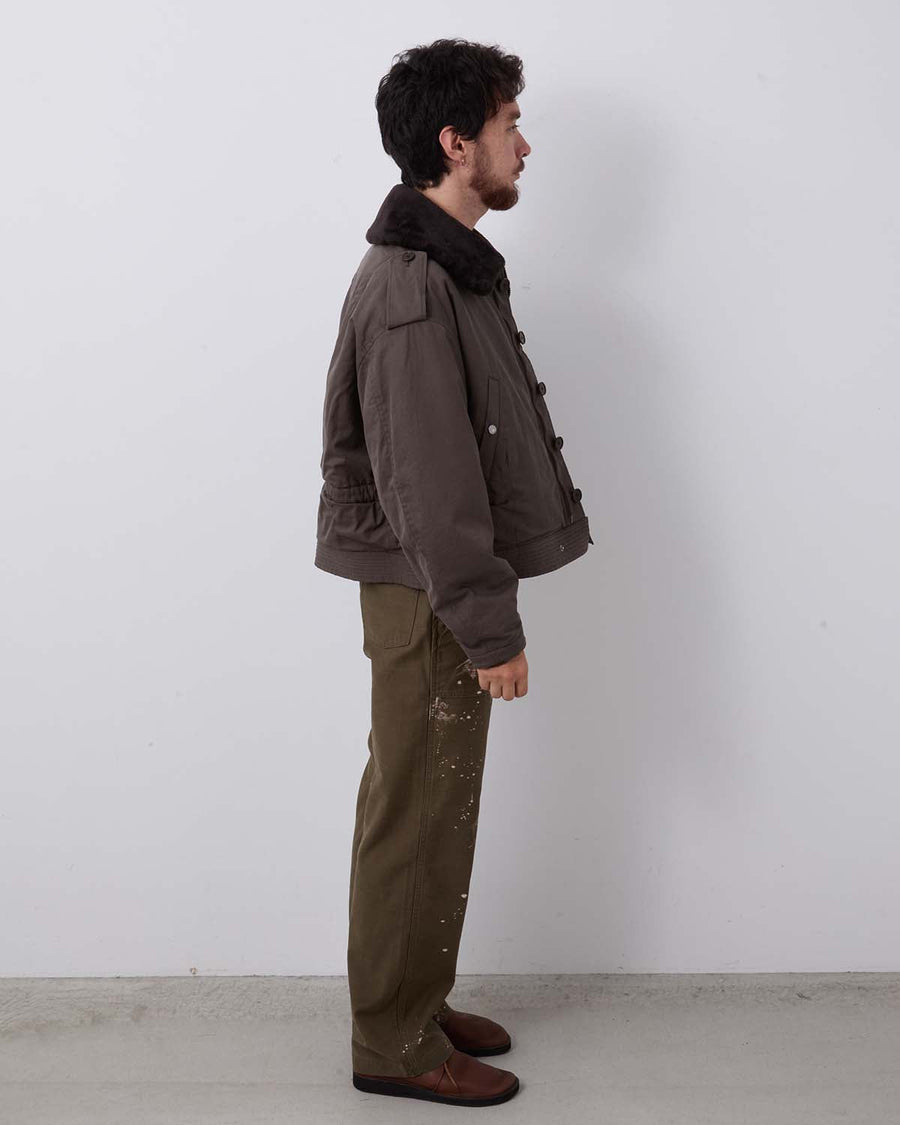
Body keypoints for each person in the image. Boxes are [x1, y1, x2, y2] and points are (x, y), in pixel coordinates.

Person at [314, 37, 593, 1107]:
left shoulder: (450, 266)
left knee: (434, 800)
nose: (525, 143)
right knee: (417, 808)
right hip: (431, 587)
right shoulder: (413, 285)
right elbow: (430, 481)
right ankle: (392, 1041)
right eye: (510, 123)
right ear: (456, 142)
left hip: (436, 582)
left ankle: (414, 1001)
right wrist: (489, 626)